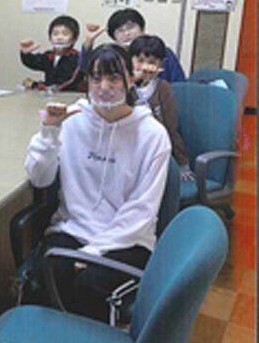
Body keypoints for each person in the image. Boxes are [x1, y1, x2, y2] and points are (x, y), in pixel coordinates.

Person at [25, 44, 171, 322]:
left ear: (131, 79)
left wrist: (93, 252)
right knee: (48, 277)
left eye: (114, 78)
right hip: (73, 229)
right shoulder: (71, 120)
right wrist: (49, 131)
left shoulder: (152, 135)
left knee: (90, 287)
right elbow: (39, 178)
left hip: (128, 239)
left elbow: (142, 210)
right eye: (96, 78)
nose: (104, 87)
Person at [129, 35, 194, 180]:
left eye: (152, 62)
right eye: (140, 61)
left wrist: (182, 164)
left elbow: (171, 128)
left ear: (160, 65)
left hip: (155, 148)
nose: (145, 66)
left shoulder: (163, 88)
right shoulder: (124, 86)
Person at [79, 8, 186, 82]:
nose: (127, 33)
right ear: (114, 37)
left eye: (130, 27)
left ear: (142, 29)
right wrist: (88, 42)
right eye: (120, 30)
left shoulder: (163, 52)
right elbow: (87, 71)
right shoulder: (113, 55)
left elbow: (179, 83)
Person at [19, 15, 85, 92]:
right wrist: (26, 54)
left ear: (74, 38)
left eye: (65, 34)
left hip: (70, 96)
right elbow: (33, 62)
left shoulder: (77, 58)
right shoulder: (49, 56)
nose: (59, 37)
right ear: (50, 38)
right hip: (51, 96)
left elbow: (66, 84)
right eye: (55, 34)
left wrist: (36, 85)